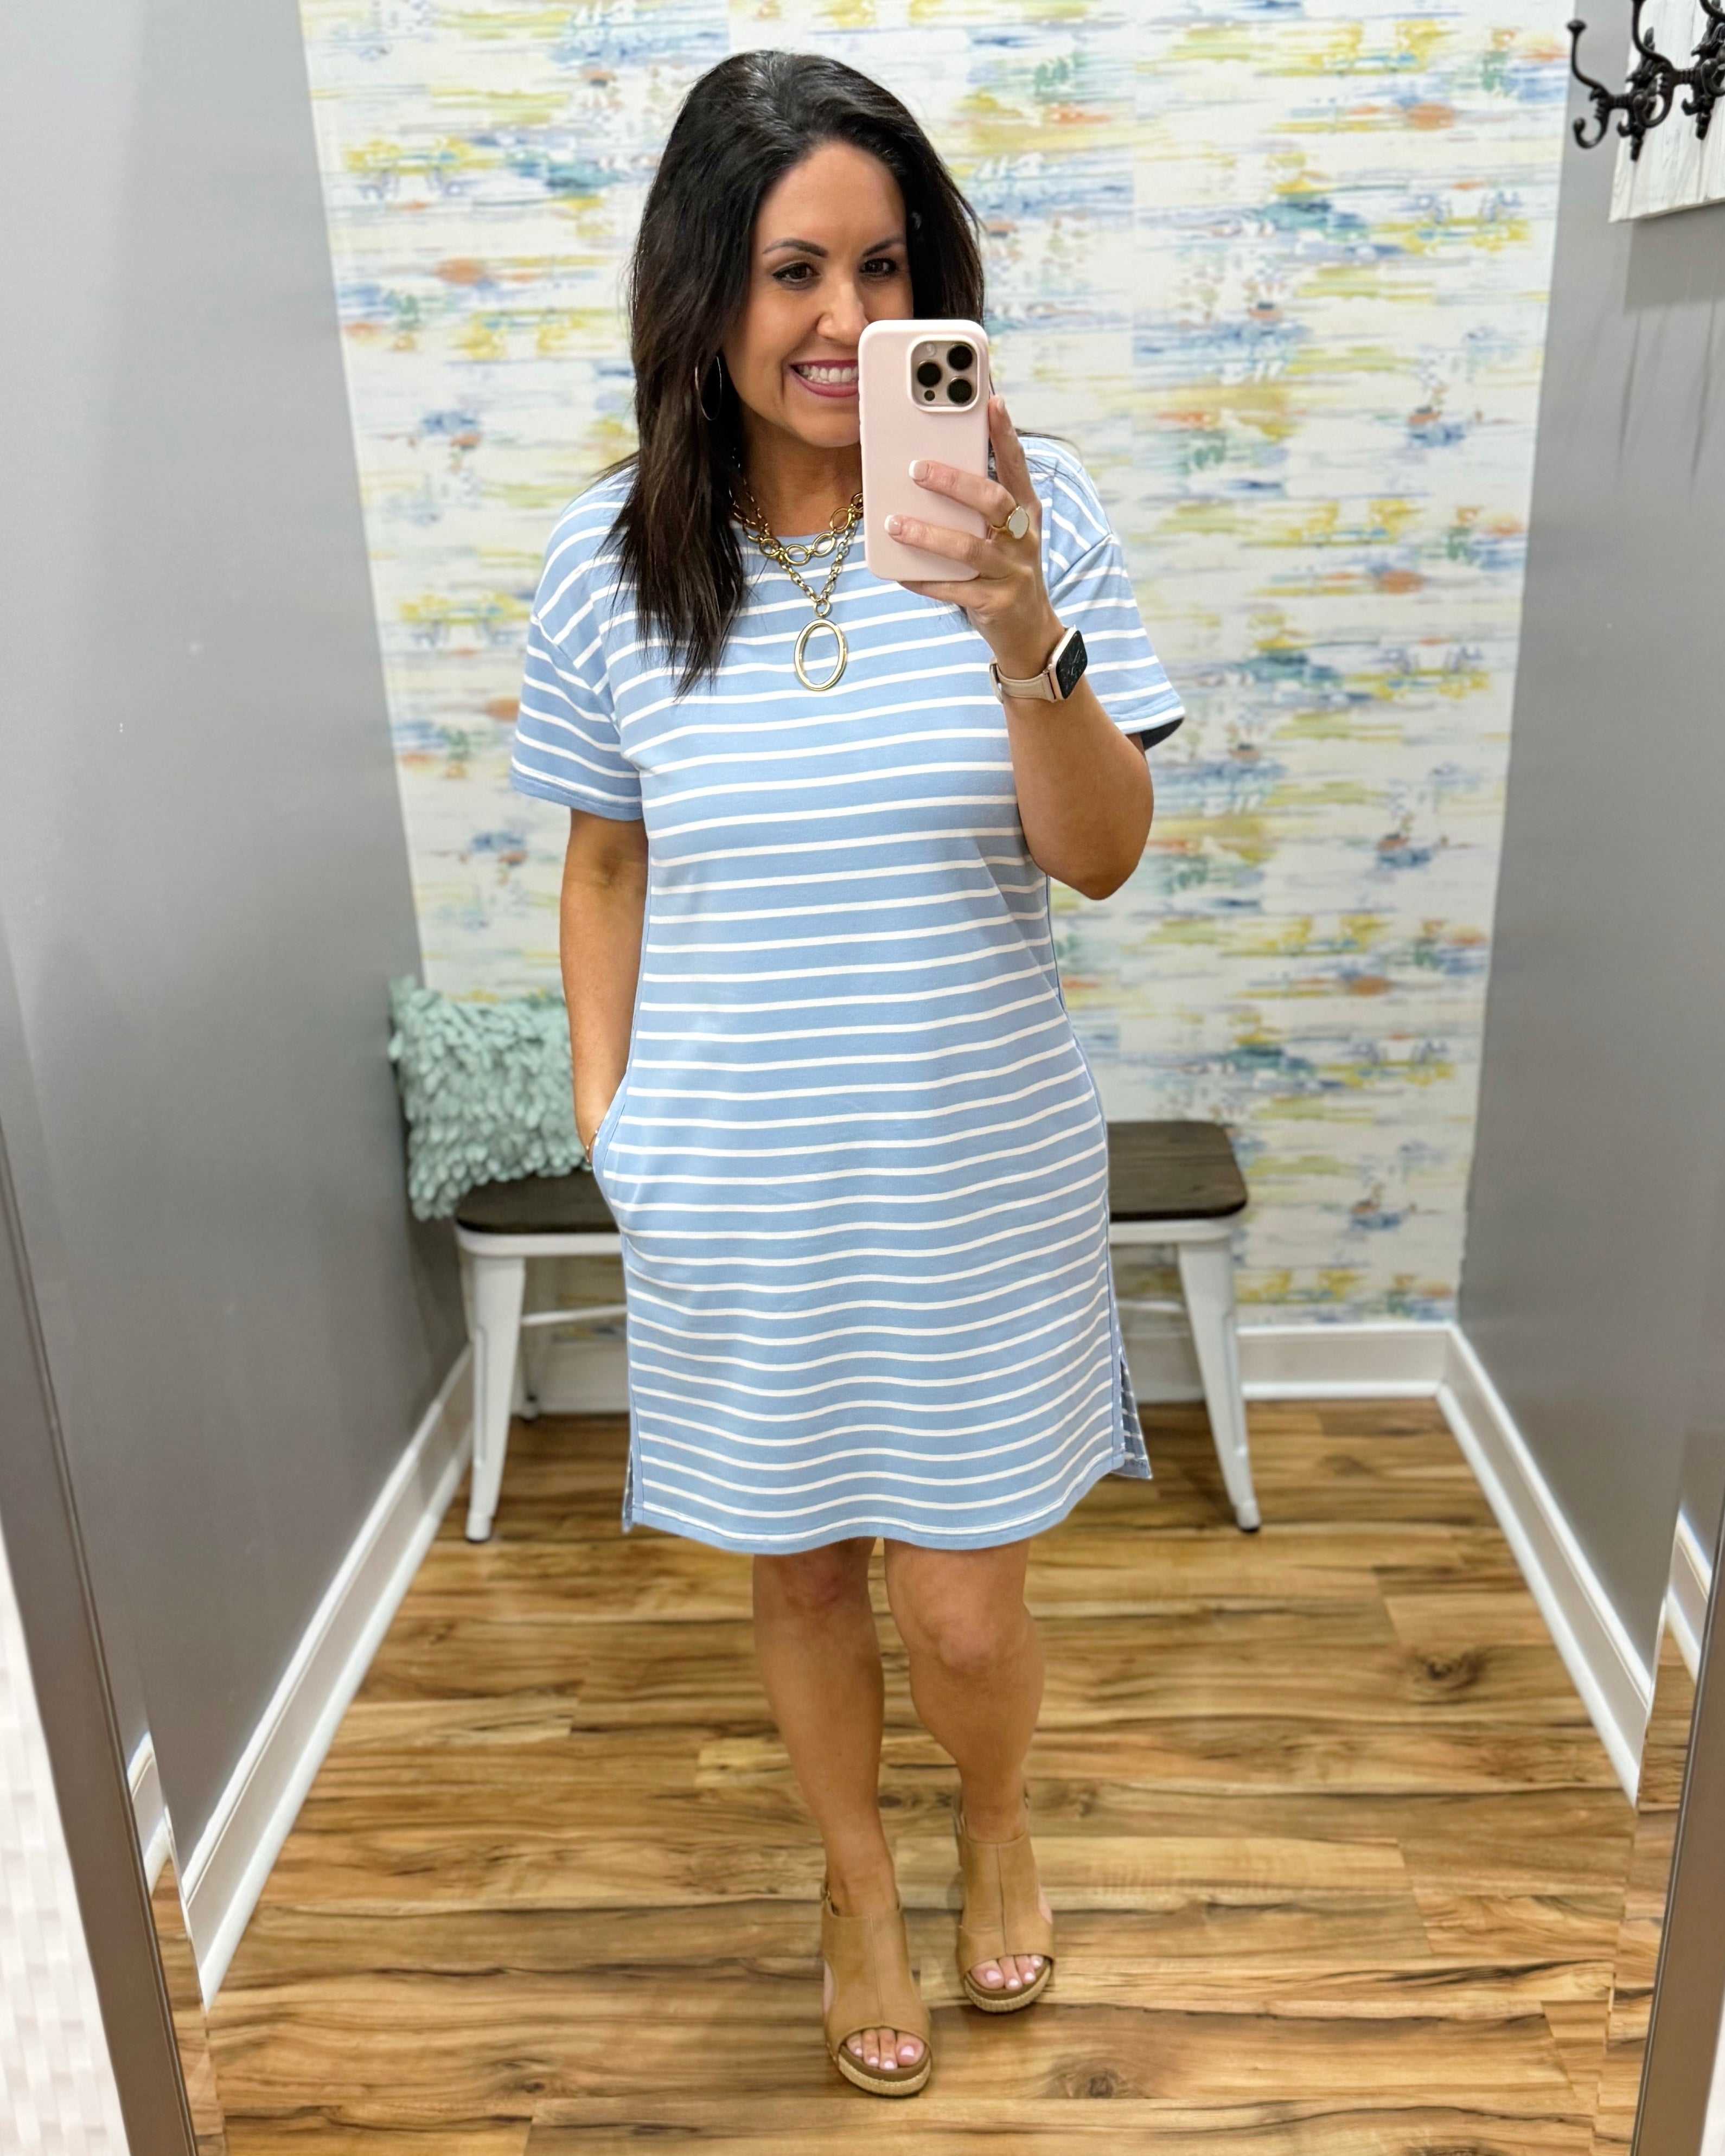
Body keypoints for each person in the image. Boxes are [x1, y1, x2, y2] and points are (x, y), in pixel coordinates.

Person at [510, 48, 1183, 2099]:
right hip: (738, 1181)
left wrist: (1018, 631)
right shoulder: (609, 565)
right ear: (702, 292)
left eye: (887, 270)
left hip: (971, 1168)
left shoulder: (1030, 511)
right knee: (797, 1569)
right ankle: (855, 1885)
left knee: (964, 1611)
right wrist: (615, 1127)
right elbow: (603, 861)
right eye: (793, 270)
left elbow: (1099, 855)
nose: (847, 325)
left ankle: (993, 1817)